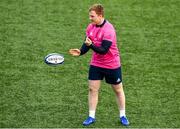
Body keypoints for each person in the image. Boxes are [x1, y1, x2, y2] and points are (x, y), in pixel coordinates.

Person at [69, 3, 129, 126]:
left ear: (100, 15)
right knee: (92, 89)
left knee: (118, 90)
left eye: (92, 16)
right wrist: (80, 52)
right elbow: (87, 43)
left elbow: (103, 50)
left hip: (112, 64)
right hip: (96, 64)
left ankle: (123, 115)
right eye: (90, 16)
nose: (90, 19)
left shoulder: (109, 30)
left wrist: (90, 45)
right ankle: (91, 116)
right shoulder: (91, 27)